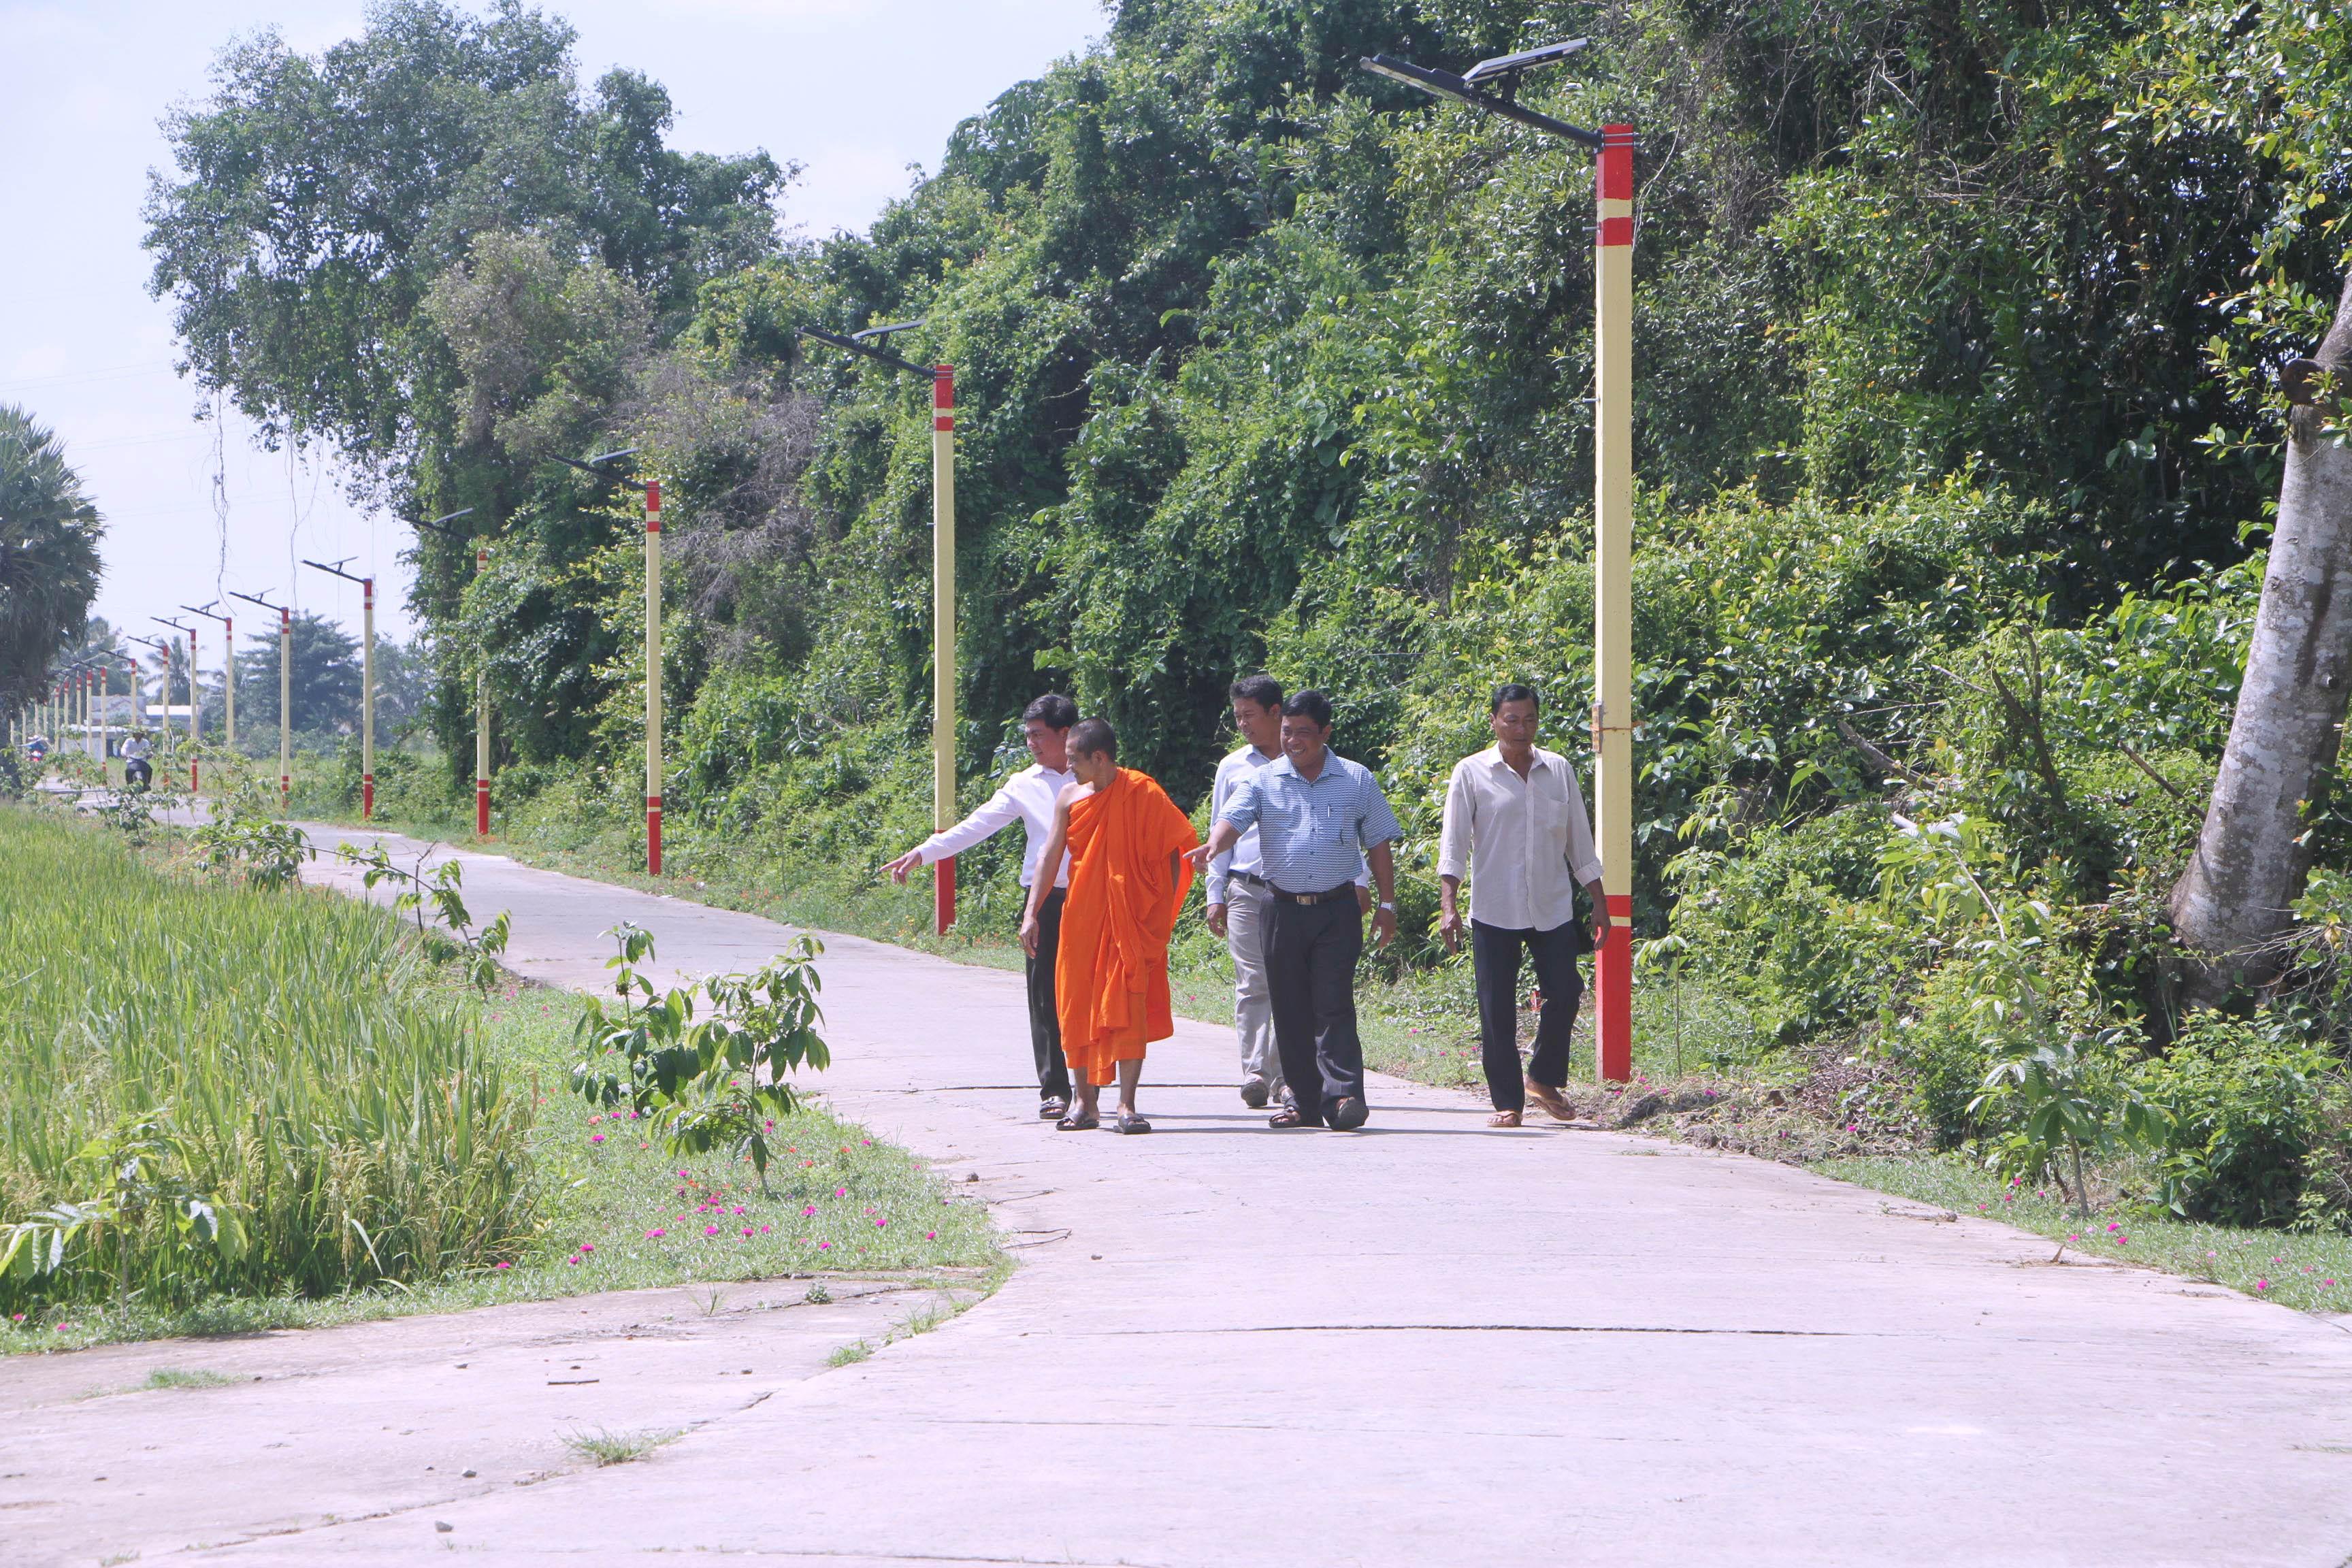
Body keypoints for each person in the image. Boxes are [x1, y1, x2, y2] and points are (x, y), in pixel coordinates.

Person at [1190, 690, 1400, 1131]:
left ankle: (1343, 1097)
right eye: (1287, 731)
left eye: (1304, 732)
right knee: (1289, 1008)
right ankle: (1303, 1102)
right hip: (1281, 909)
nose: (1293, 741)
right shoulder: (1264, 780)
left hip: (1337, 909)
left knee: (1334, 1004)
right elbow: (1233, 818)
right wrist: (1213, 847)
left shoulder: (1356, 779)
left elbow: (1378, 841)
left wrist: (1385, 903)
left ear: (1325, 733)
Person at [886, 693, 1080, 1120]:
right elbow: (976, 826)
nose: (1030, 742)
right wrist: (925, 852)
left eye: (1037, 734)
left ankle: (1093, 1089)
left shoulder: (1098, 776)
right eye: (1027, 735)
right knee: (1044, 995)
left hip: (1095, 897)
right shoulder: (1024, 785)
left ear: (1065, 734)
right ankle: (1055, 1090)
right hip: (1044, 900)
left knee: (1090, 993)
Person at [1437, 683, 1610, 1127]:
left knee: (1567, 990)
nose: (1521, 728)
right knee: (1496, 1007)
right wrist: (1449, 906)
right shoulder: (1471, 772)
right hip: (1494, 908)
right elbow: (1454, 845)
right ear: (1494, 721)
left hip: (1551, 906)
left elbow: (1579, 841)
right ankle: (1507, 1103)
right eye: (1511, 719)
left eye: (1529, 719)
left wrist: (1598, 901)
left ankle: (1543, 1078)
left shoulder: (1558, 770)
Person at [1021, 718, 1198, 1134]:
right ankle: (1083, 1102)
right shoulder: (1069, 797)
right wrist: (1032, 911)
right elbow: (1049, 857)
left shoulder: (1143, 792)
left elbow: (1175, 850)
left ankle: (1126, 1105)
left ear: (1099, 758)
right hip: (1082, 915)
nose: (1069, 769)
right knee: (1076, 1001)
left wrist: (1158, 914)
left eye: (1074, 761)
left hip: (1130, 918)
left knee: (1127, 1002)